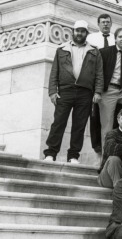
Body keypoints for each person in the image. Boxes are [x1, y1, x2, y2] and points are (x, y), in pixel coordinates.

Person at [43, 19, 103, 164]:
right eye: (77, 30)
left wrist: (98, 92)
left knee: (79, 125)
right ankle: (50, 153)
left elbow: (99, 74)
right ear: (73, 32)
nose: (80, 33)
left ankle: (73, 156)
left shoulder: (94, 51)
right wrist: (52, 91)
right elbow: (54, 72)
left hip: (85, 93)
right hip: (65, 90)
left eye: (82, 31)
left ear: (86, 33)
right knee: (58, 123)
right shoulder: (62, 49)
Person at [86, 12, 114, 154]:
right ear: (98, 24)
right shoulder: (91, 38)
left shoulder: (115, 38)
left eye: (108, 22)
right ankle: (96, 144)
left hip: (110, 81)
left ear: (111, 23)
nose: (105, 24)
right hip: (95, 79)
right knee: (94, 113)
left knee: (108, 116)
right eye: (102, 22)